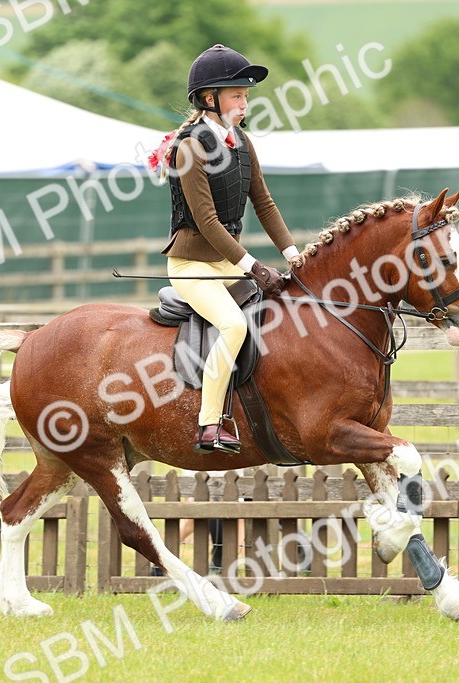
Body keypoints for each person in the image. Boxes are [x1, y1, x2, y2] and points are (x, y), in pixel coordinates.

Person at [150, 44, 299, 454]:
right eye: (237, 95)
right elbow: (207, 222)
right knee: (234, 326)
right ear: (209, 99)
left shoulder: (242, 142)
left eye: (246, 96)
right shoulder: (189, 148)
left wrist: (293, 254)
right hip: (192, 266)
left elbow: (264, 203)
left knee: (282, 308)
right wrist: (253, 266)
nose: (245, 103)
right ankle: (209, 424)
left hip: (225, 262)